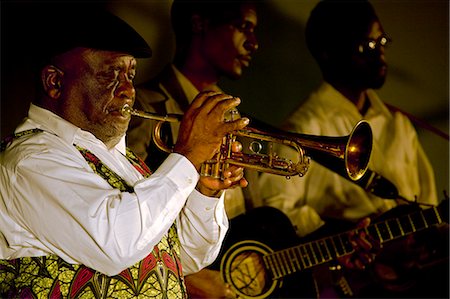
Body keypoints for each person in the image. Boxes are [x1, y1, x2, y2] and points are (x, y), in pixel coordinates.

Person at [0, 6, 250, 298]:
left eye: (131, 75)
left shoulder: (126, 163)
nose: (128, 90)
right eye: (110, 75)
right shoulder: (30, 161)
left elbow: (187, 258)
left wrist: (203, 194)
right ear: (54, 82)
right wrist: (188, 155)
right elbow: (117, 246)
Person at [259, 0, 444, 297]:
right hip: (351, 285)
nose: (380, 52)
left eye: (382, 41)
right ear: (329, 53)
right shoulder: (304, 127)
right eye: (367, 45)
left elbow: (428, 205)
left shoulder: (399, 125)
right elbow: (277, 214)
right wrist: (342, 235)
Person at [126, 1, 262, 298]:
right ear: (199, 24)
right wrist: (190, 278)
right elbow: (127, 214)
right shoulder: (146, 107)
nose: (253, 42)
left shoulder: (234, 116)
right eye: (243, 27)